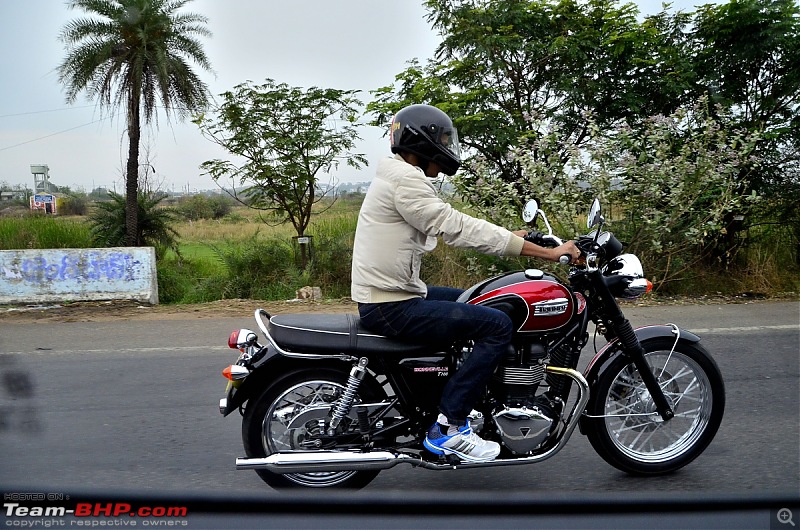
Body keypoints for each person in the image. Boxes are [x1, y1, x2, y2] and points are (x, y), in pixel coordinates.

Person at [351, 104, 580, 463]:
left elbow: (443, 221)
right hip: (391, 303)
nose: (446, 145)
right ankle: (448, 426)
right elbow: (453, 225)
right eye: (442, 138)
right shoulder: (405, 180)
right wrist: (543, 253)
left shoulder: (397, 176)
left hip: (396, 292)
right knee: (498, 324)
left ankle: (467, 399)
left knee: (479, 301)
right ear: (421, 139)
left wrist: (511, 236)